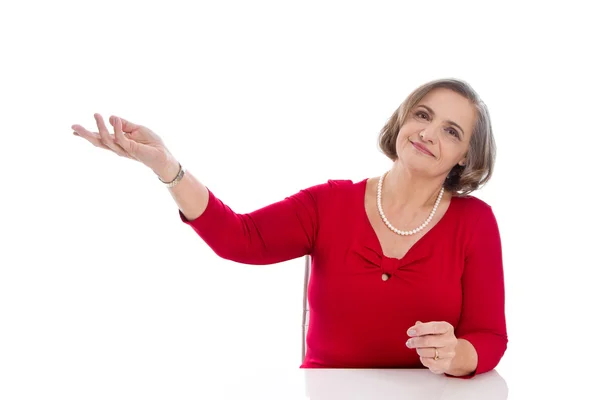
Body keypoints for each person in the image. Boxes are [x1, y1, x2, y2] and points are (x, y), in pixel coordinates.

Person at [71, 78, 507, 378]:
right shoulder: (329, 203)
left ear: (466, 156)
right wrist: (168, 168)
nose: (429, 133)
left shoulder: (475, 223)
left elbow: (488, 337)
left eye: (450, 131)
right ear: (402, 121)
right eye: (422, 115)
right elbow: (239, 238)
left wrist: (457, 356)